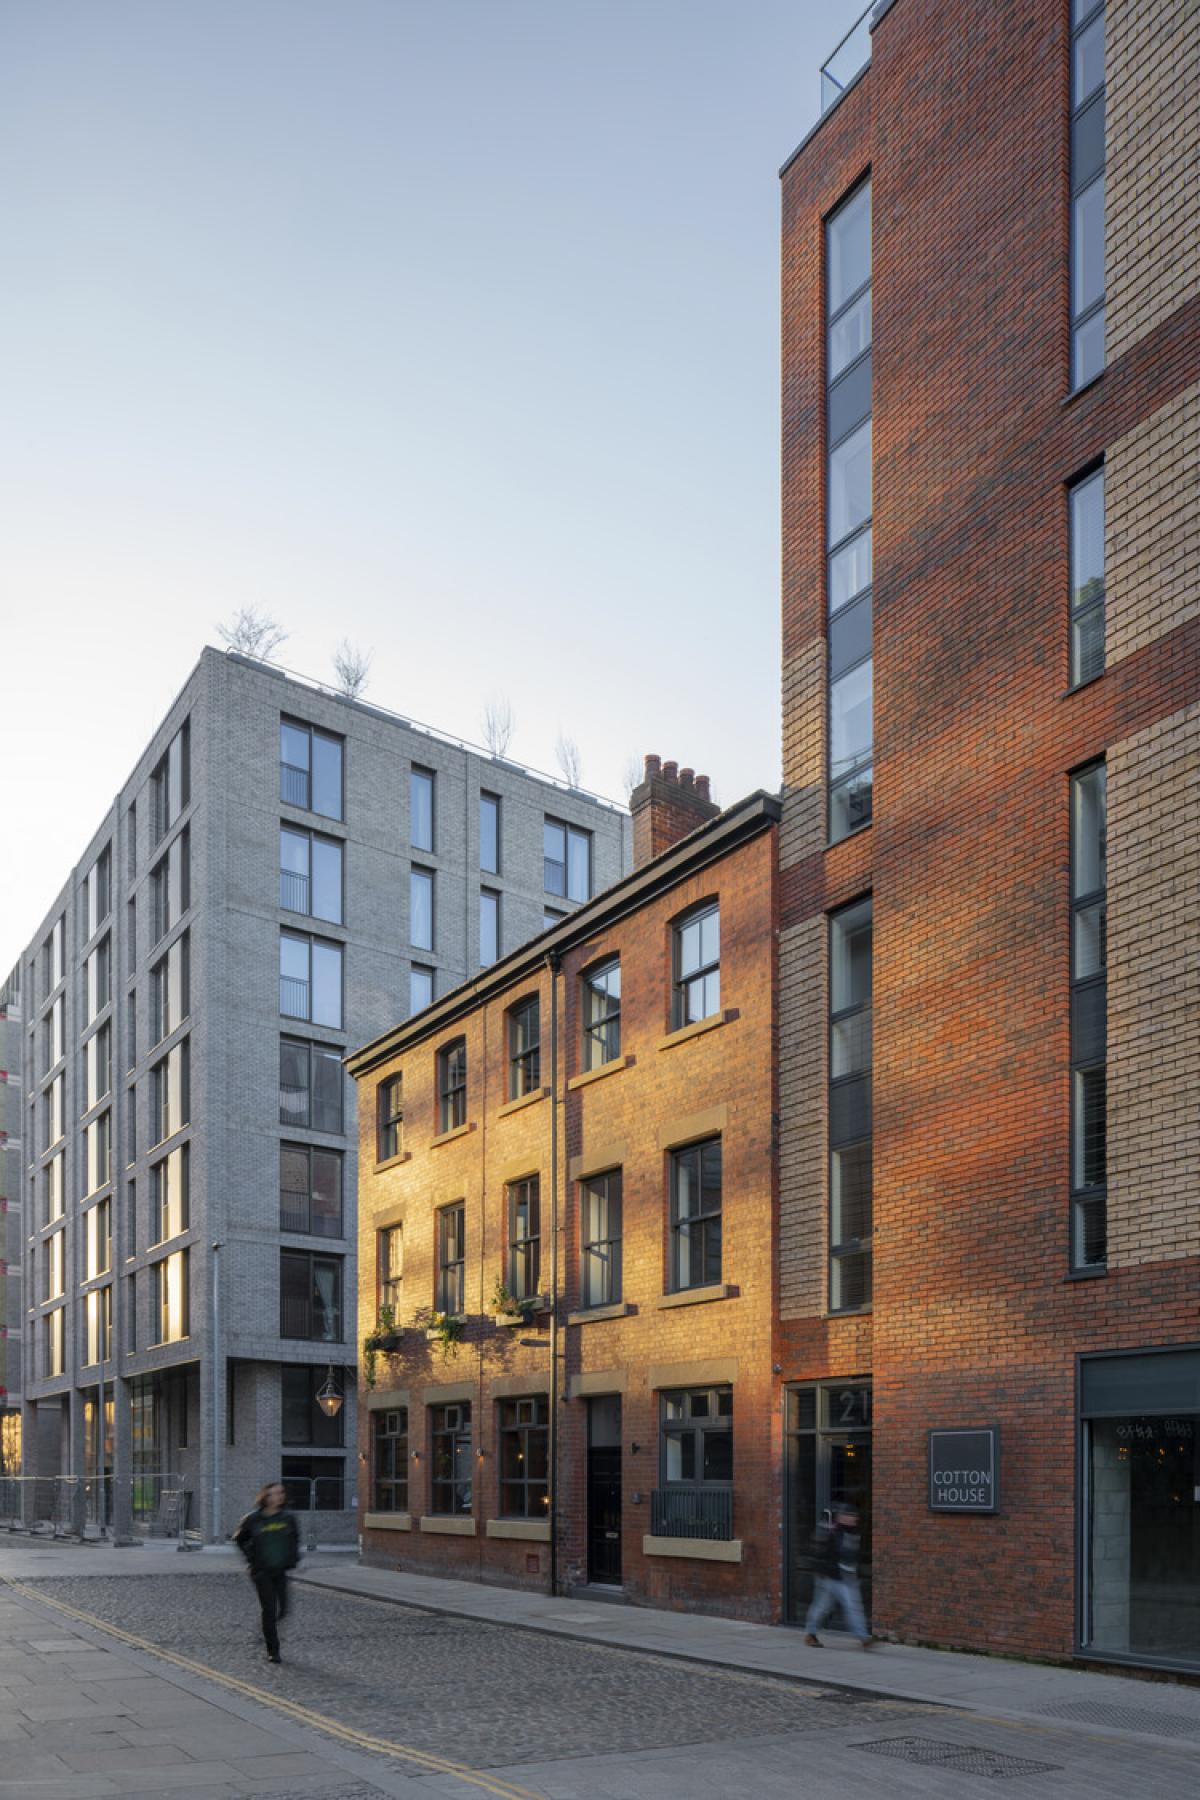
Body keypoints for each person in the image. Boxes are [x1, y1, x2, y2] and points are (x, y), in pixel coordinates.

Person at [233, 1481, 301, 1664]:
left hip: (280, 1570)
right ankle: (273, 1650)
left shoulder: (288, 1518)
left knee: (284, 1609)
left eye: (281, 1493)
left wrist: (293, 1558)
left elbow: (295, 1539)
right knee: (269, 1610)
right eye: (274, 1493)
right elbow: (239, 1539)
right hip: (261, 1572)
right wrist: (251, 1558)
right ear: (266, 1497)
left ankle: (266, 1628)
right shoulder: (253, 1519)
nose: (279, 1496)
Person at [804, 1504, 874, 1649]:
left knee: (854, 1607)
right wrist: (821, 1571)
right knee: (822, 1608)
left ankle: (864, 1638)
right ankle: (811, 1634)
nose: (855, 1518)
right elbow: (817, 1552)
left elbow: (854, 1555)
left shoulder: (853, 1533)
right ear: (841, 1517)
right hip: (828, 1577)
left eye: (855, 1516)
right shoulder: (829, 1531)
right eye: (851, 1515)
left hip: (847, 1577)